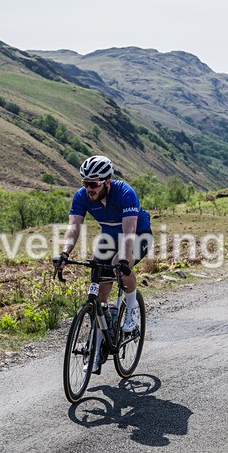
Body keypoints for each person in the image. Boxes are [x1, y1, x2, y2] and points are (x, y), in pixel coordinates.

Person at [56, 155, 153, 373]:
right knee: (99, 291)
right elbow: (73, 227)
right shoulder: (82, 197)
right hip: (109, 238)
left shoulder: (125, 193)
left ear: (107, 182)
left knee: (120, 266)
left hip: (138, 235)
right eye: (85, 183)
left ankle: (130, 311)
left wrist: (124, 261)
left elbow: (129, 233)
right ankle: (97, 349)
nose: (88, 188)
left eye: (93, 184)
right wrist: (63, 253)